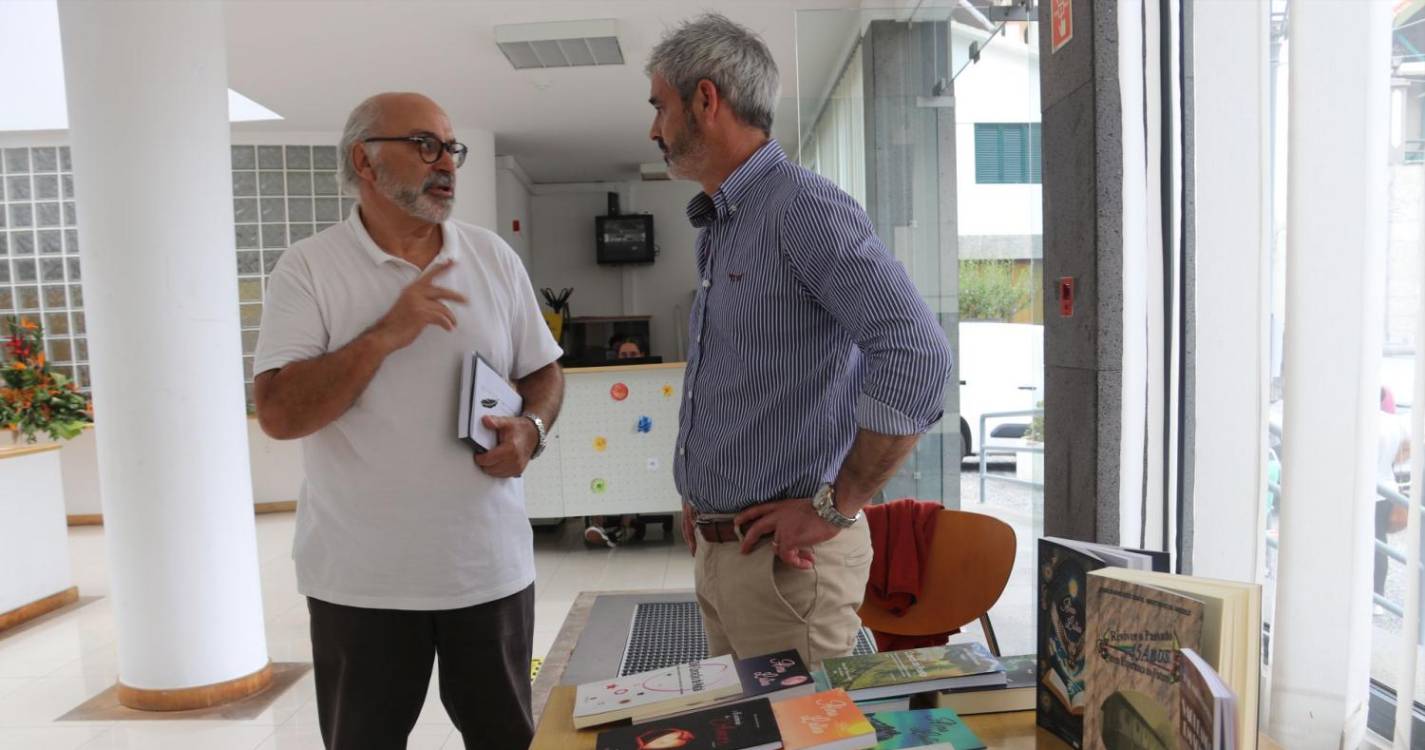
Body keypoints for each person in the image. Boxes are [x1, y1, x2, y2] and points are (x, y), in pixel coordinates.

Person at [252, 92, 564, 750]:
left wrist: (530, 430)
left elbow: (543, 373)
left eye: (451, 147)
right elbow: (279, 413)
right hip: (361, 583)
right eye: (425, 144)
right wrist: (385, 333)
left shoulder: (492, 259)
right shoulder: (308, 269)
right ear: (364, 161)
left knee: (507, 739)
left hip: (487, 570)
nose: (446, 162)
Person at [646, 15, 952, 668]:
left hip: (789, 568)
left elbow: (915, 355)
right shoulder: (722, 225)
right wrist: (702, 502)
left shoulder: (801, 208)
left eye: (659, 106)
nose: (653, 129)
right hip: (728, 555)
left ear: (706, 99)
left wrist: (838, 505)